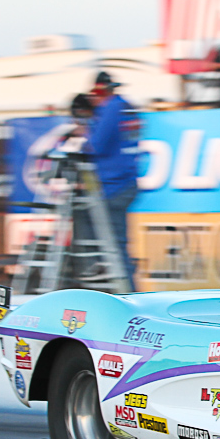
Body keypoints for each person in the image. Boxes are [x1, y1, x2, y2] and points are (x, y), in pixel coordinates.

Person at [87, 71, 139, 289]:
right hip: (128, 180)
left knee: (113, 246)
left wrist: (84, 133)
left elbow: (96, 146)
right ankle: (124, 288)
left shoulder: (110, 108)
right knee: (118, 244)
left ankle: (125, 293)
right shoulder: (127, 106)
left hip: (113, 185)